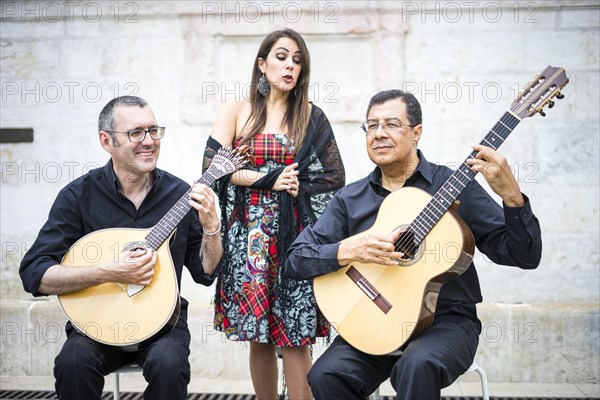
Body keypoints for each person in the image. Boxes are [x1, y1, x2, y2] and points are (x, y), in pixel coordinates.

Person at [285, 89, 542, 399]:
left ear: (417, 132)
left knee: (416, 366)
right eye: (372, 125)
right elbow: (295, 260)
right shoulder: (349, 200)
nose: (379, 134)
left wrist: (512, 198)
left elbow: (524, 257)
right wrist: (353, 249)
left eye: (392, 124)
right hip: (375, 322)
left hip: (446, 324)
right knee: (326, 374)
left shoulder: (454, 186)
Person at [19, 95, 224, 400]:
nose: (149, 141)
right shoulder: (78, 196)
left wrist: (212, 228)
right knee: (72, 363)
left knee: (169, 365)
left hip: (163, 324)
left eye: (154, 130)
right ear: (106, 141)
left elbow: (205, 272)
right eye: (135, 133)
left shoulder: (180, 195)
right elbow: (34, 274)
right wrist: (107, 271)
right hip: (96, 324)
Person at [202, 29, 345, 399]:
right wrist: (268, 180)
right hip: (248, 237)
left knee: (296, 333)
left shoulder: (311, 116)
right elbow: (211, 167)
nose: (290, 66)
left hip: (295, 237)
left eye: (297, 60)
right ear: (262, 64)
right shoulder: (236, 110)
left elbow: (333, 177)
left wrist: (299, 187)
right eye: (282, 57)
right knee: (258, 336)